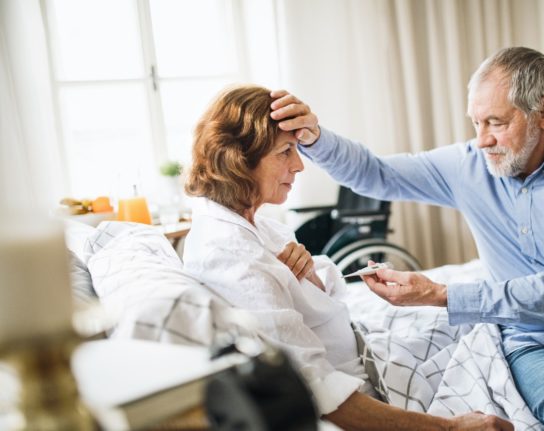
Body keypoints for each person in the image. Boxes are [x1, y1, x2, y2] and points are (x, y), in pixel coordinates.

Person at [269, 46, 544, 430]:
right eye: (476, 123)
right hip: (537, 343)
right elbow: (375, 174)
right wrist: (313, 137)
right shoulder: (469, 165)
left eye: (496, 123)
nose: (481, 140)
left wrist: (439, 293)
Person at [182, 84, 513, 431]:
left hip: (363, 348)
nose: (299, 165)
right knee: (492, 344)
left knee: (484, 325)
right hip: (358, 385)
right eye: (285, 152)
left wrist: (310, 273)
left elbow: (317, 301)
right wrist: (451, 428)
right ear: (238, 159)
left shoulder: (258, 226)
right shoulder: (230, 255)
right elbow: (316, 390)